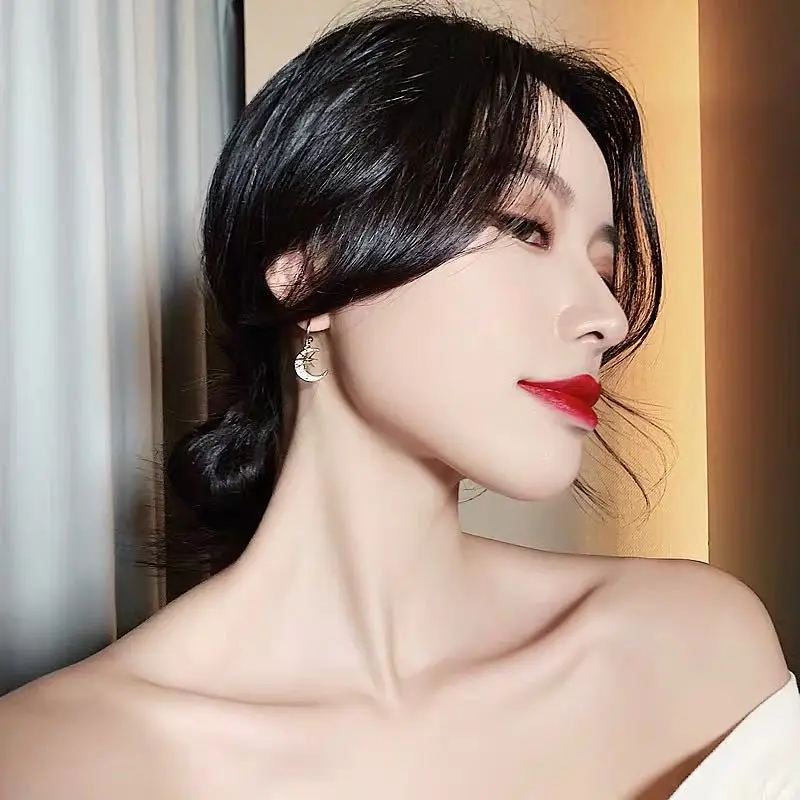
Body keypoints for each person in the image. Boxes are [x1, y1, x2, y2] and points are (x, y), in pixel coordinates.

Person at [0, 6, 797, 798]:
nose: (609, 317)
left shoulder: (694, 652)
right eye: (526, 226)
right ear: (308, 270)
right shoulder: (53, 761)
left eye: (603, 265)